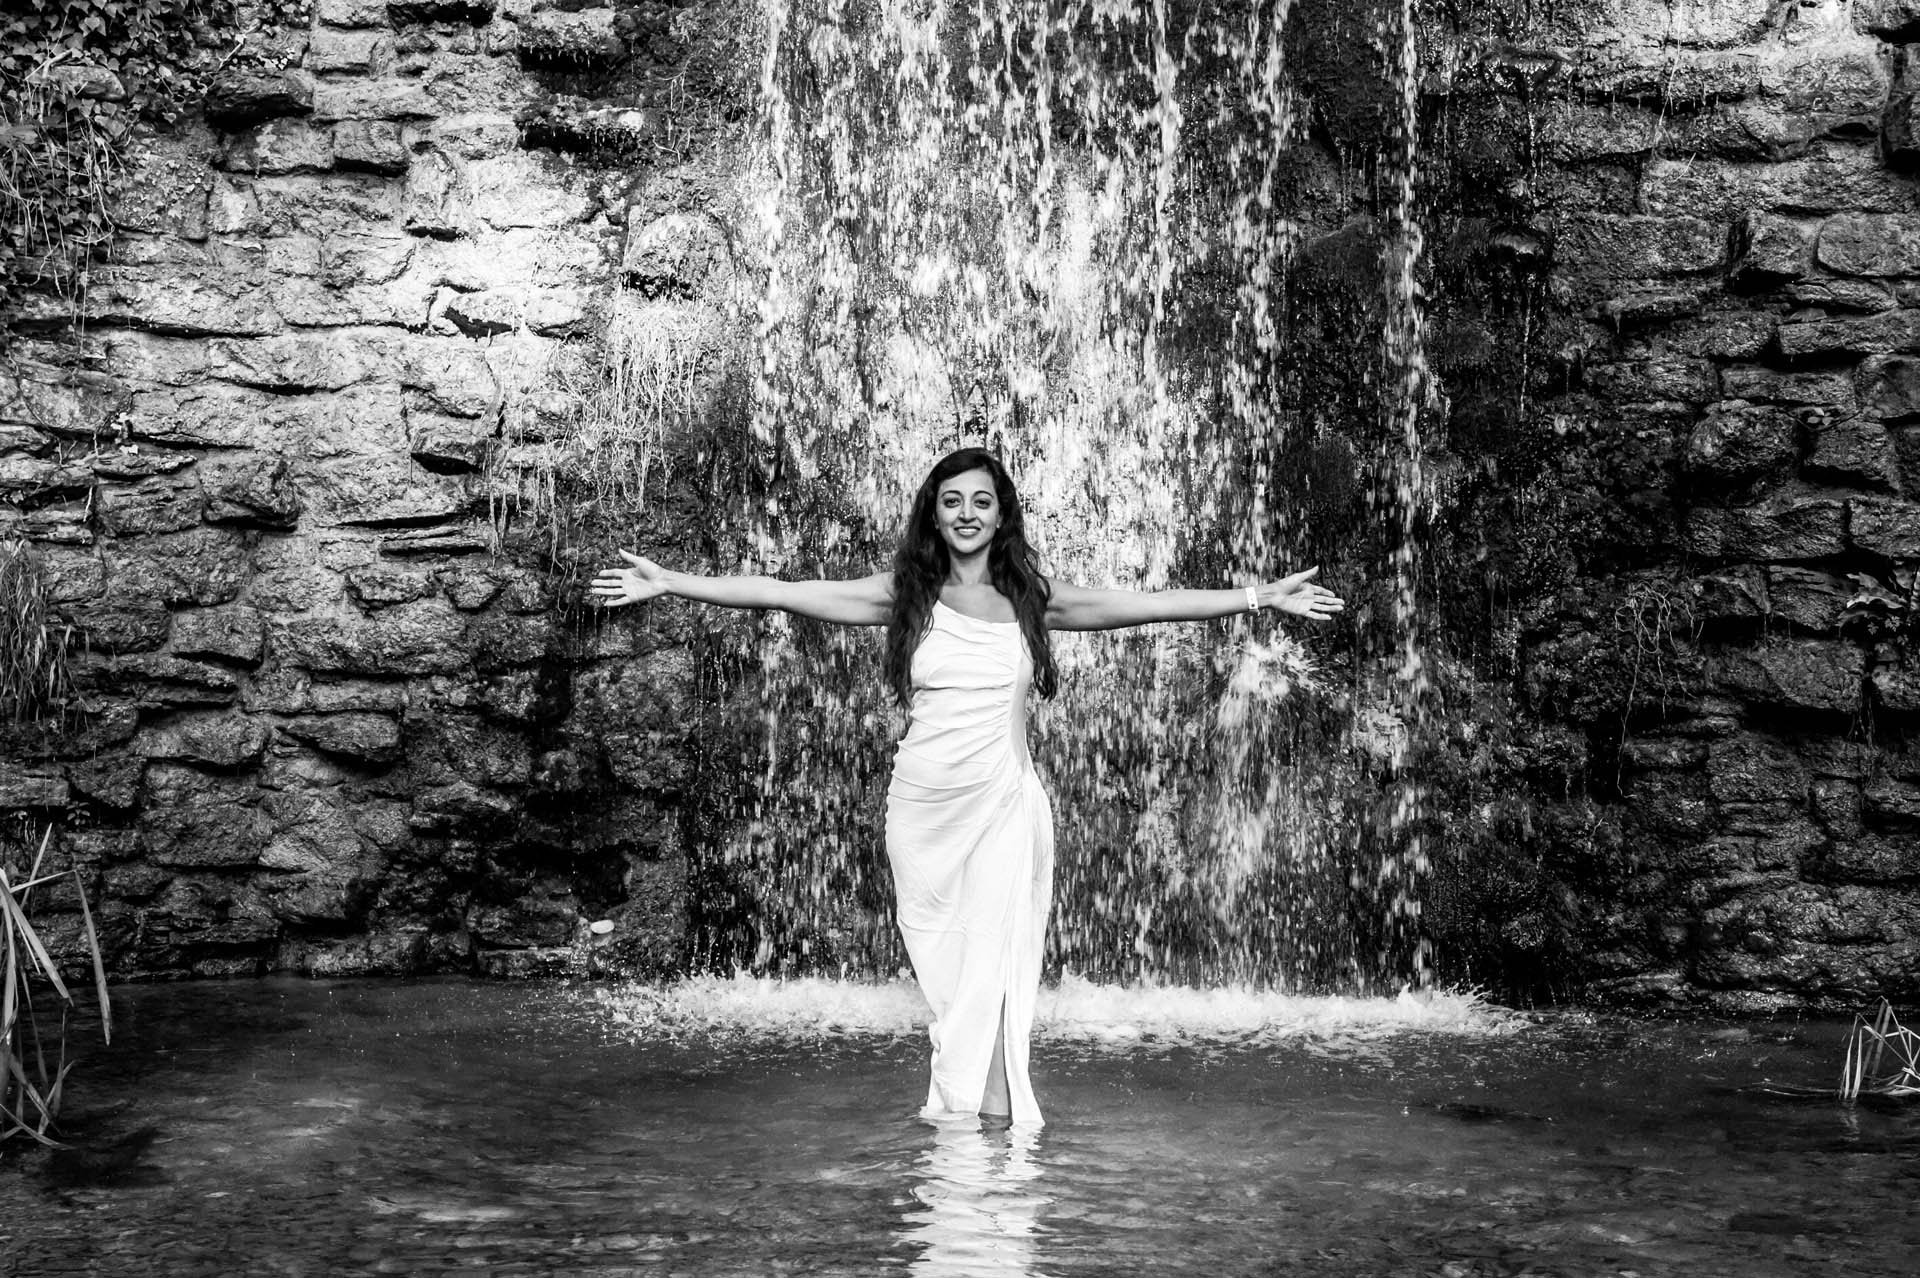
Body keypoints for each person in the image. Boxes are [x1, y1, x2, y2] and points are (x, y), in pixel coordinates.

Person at [590, 447, 1344, 1126]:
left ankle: (987, 1119)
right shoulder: (904, 596)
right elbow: (780, 592)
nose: (966, 514)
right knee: (955, 981)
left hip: (1003, 803)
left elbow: (1148, 606)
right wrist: (671, 583)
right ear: (933, 513)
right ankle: (975, 1119)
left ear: (1002, 514)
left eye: (981, 501)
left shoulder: (1033, 600)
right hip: (922, 813)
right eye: (951, 501)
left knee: (994, 967)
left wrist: (1259, 597)